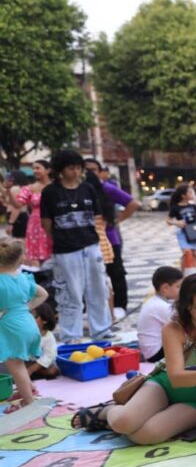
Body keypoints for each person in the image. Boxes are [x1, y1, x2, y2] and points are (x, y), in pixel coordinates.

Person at [82, 274, 196, 443]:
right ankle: (108, 411)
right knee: (123, 423)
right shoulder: (174, 328)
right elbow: (176, 379)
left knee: (144, 436)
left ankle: (139, 414)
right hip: (167, 386)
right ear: (187, 306)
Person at [39, 149, 113, 342]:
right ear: (61, 170)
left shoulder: (88, 188)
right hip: (65, 249)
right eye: (71, 168)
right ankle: (71, 335)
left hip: (91, 245)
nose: (76, 172)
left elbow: (97, 216)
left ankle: (102, 330)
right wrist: (57, 238)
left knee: (98, 289)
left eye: (79, 168)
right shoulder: (50, 192)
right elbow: (46, 221)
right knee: (69, 293)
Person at [85, 157, 140, 320]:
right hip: (86, 240)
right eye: (86, 169)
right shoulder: (80, 189)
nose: (89, 173)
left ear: (101, 172)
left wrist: (117, 220)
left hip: (109, 238)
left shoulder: (107, 188)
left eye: (93, 170)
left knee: (116, 273)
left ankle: (120, 306)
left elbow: (133, 203)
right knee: (92, 278)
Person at [0, 239, 50, 410]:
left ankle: (28, 401)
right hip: (27, 322)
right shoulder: (22, 278)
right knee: (19, 362)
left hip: (12, 325)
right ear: (20, 259)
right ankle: (29, 389)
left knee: (15, 366)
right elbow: (43, 294)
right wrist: (26, 307)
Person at [8, 160, 52, 266]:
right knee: (37, 256)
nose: (34, 171)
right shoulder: (29, 188)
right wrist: (8, 190)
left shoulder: (56, 186)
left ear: (48, 170)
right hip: (36, 224)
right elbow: (18, 205)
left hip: (53, 221)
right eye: (33, 168)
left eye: (38, 168)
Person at [138, 266, 183, 363]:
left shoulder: (154, 301)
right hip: (155, 354)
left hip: (149, 352)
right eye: (178, 286)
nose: (181, 290)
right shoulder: (161, 307)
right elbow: (183, 325)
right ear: (165, 288)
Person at [166, 183, 196, 275]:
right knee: (187, 252)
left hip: (194, 231)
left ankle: (194, 273)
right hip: (182, 233)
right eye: (190, 192)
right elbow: (168, 221)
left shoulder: (194, 206)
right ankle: (183, 275)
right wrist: (177, 223)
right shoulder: (175, 207)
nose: (192, 194)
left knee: (194, 253)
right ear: (183, 195)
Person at [28, 302, 59, 380]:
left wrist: (31, 369)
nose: (29, 319)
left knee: (53, 370)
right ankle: (25, 373)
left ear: (44, 320)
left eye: (34, 317)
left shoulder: (48, 337)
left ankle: (30, 373)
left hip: (39, 364)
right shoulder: (26, 333)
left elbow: (49, 355)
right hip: (26, 361)